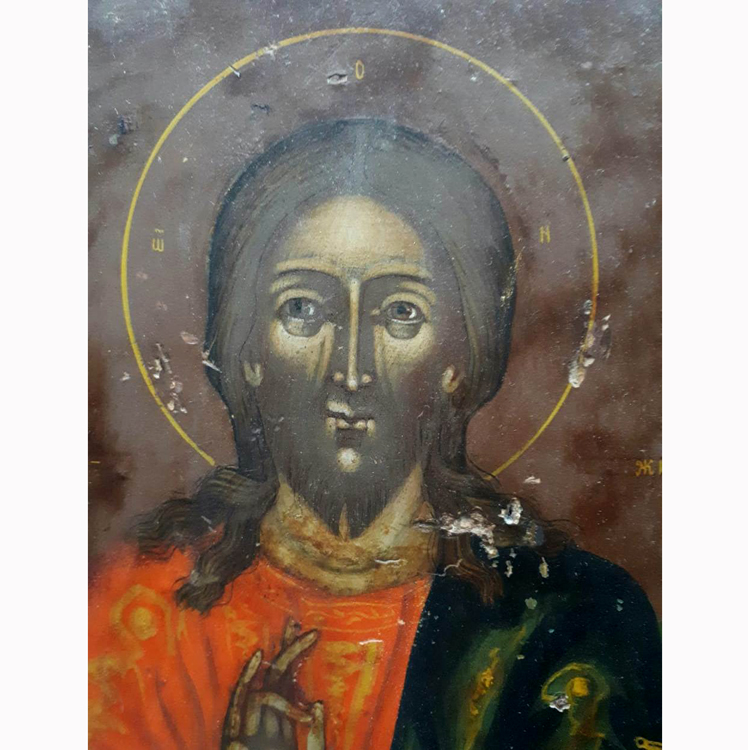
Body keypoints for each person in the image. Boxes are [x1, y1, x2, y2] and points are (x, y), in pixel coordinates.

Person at [89, 119, 661, 750]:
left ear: (459, 357)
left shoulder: (564, 623)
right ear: (246, 351)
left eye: (400, 313)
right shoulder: (140, 607)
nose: (351, 368)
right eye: (303, 308)